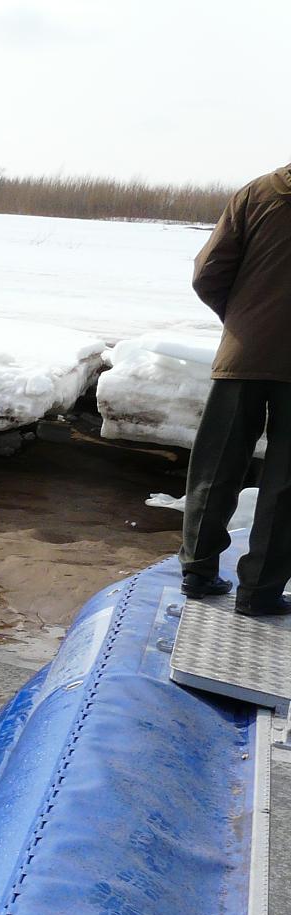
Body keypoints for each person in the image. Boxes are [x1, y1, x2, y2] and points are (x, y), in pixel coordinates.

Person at [181, 163, 291, 617]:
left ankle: (198, 572)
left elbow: (208, 272)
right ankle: (259, 592)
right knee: (286, 482)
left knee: (217, 463)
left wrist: (243, 321)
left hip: (242, 356)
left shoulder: (258, 192)